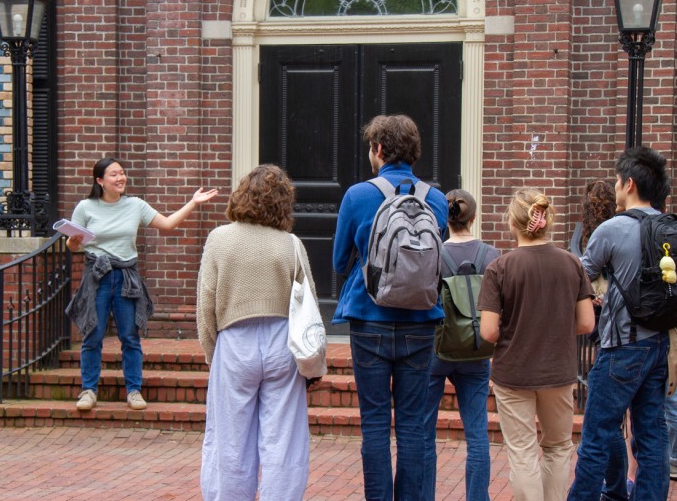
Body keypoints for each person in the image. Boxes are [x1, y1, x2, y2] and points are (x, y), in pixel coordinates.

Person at [331, 114, 447, 501]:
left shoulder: (358, 196)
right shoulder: (437, 199)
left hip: (369, 321)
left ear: (379, 150)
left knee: (376, 425)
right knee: (414, 427)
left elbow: (337, 262)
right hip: (420, 322)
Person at [196, 164, 314, 501]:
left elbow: (205, 305)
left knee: (229, 442)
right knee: (284, 440)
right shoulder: (290, 244)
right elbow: (309, 306)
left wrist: (211, 354)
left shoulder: (219, 239)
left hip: (233, 342)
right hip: (282, 342)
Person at [66, 157, 218, 412]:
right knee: (92, 335)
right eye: (114, 174)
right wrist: (73, 241)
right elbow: (73, 245)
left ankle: (134, 391)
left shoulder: (135, 205)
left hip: (126, 277)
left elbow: (168, 224)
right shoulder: (85, 207)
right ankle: (89, 391)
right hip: (97, 276)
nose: (120, 178)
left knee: (130, 336)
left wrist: (193, 202)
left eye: (122, 173)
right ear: (100, 181)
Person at [568, 146, 674, 500]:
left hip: (621, 348)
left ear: (629, 184)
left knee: (596, 435)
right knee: (652, 434)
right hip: (659, 345)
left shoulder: (612, 229)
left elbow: (579, 277)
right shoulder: (672, 229)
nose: (614, 188)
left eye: (616, 181)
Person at [477, 189, 595, 501]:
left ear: (512, 224)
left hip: (514, 372)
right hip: (558, 370)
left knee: (522, 451)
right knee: (557, 447)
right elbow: (586, 323)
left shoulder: (499, 268)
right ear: (547, 221)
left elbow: (488, 331)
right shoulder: (572, 264)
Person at [424, 189, 499, 501]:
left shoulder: (432, 253)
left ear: (445, 219)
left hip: (436, 348)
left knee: (424, 433)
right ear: (474, 217)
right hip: (477, 349)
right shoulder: (492, 255)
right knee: (477, 434)